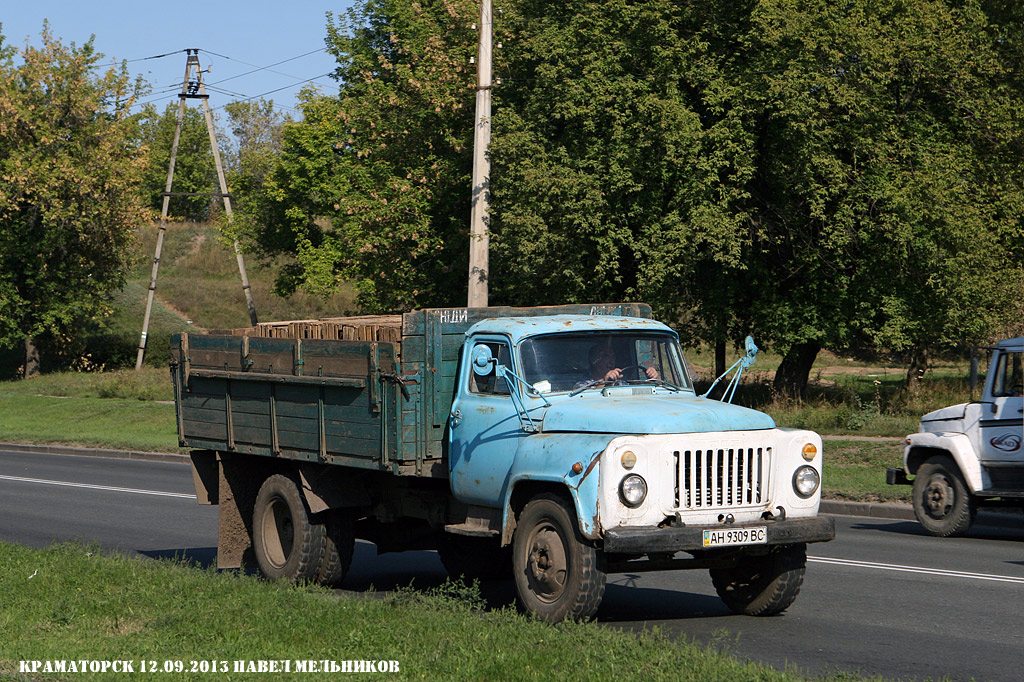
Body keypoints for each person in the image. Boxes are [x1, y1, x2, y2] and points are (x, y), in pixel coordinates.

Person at [587, 343, 658, 383]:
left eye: (613, 356)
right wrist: (605, 381)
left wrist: (650, 379)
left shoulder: (620, 381)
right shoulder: (583, 382)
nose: (611, 360)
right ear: (594, 361)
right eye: (606, 356)